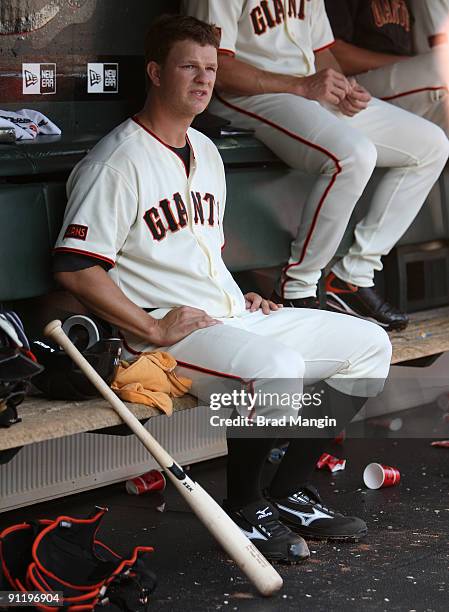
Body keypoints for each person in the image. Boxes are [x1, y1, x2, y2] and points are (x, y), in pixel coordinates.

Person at [53, 14, 393, 564]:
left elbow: (200, 251)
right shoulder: (117, 162)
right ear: (155, 72)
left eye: (211, 68)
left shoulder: (206, 152)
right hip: (170, 335)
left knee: (370, 345)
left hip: (229, 316)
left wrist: (242, 294)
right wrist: (151, 328)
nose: (204, 79)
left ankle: (288, 493)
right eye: (189, 66)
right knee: (276, 368)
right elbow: (74, 267)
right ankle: (246, 504)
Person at [184, 0, 449, 331]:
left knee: (431, 144)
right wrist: (300, 86)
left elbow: (321, 51)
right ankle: (297, 287)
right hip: (250, 95)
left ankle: (352, 276)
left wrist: (342, 86)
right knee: (353, 155)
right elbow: (215, 67)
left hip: (308, 91)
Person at [325, 0, 449, 134]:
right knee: (442, 64)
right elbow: (334, 54)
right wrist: (406, 64)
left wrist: (409, 66)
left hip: (401, 88)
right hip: (354, 87)